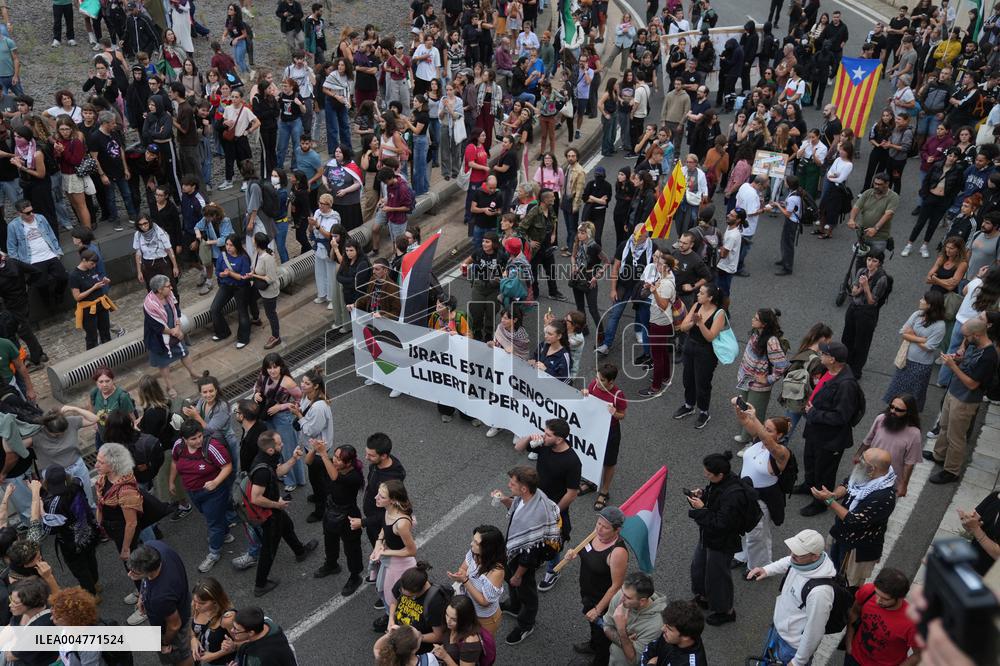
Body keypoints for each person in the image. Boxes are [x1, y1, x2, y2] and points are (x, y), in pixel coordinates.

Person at [747, 529, 838, 666]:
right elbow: (788, 562)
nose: (792, 555)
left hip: (791, 647)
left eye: (798, 554)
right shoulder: (802, 562)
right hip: (778, 630)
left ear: (815, 556)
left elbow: (814, 632)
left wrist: (797, 662)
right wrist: (767, 570)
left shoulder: (820, 593)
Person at [925, 316, 998, 483]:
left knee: (956, 436)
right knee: (944, 426)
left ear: (977, 334)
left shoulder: (988, 356)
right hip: (954, 392)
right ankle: (939, 455)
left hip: (966, 400)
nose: (965, 340)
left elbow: (972, 384)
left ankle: (951, 471)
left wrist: (952, 366)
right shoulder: (974, 344)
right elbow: (968, 364)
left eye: (967, 336)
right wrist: (958, 359)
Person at [810, 448, 898, 587]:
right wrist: (834, 495)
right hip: (840, 534)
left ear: (872, 469)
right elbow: (848, 483)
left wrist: (829, 501)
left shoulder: (884, 497)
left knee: (847, 583)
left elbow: (853, 520)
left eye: (862, 461)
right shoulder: (867, 475)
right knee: (831, 570)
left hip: (857, 548)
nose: (858, 462)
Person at [495, 465, 562, 646]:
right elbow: (516, 506)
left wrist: (519, 574)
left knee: (527, 592)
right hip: (514, 554)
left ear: (524, 488)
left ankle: (526, 624)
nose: (509, 485)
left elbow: (529, 554)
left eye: (513, 483)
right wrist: (503, 500)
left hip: (523, 561)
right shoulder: (530, 496)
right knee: (512, 581)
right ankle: (515, 606)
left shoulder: (531, 518)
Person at [686, 451, 755, 626]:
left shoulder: (734, 496)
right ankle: (704, 597)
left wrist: (701, 509)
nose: (705, 475)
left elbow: (721, 523)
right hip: (709, 535)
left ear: (720, 475)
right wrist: (703, 494)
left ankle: (726, 611)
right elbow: (715, 499)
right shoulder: (721, 483)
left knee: (718, 577)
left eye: (708, 474)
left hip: (722, 541)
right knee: (699, 566)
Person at [250, 430, 319, 597]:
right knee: (269, 548)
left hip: (274, 510)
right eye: (279, 444)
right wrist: (277, 504)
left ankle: (300, 552)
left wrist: (294, 459)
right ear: (271, 450)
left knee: (287, 526)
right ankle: (260, 584)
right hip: (269, 513)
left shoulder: (266, 460)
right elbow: (255, 498)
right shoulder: (262, 471)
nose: (283, 445)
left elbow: (278, 472)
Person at [798, 342, 863, 517]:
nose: (820, 354)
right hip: (816, 431)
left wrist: (813, 413)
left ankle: (821, 503)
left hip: (830, 439)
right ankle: (809, 486)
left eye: (824, 353)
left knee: (825, 471)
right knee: (810, 461)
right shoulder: (831, 372)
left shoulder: (846, 385)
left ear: (832, 359)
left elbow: (841, 417)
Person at [563, 506, 629, 665]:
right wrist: (573, 552)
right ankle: (593, 645)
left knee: (603, 637)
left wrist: (598, 610)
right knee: (593, 627)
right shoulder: (596, 534)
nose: (599, 528)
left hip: (602, 603)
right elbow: (585, 551)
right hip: (587, 594)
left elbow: (616, 586)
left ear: (617, 530)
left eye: (605, 527)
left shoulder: (617, 552)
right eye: (598, 523)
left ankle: (600, 660)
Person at [731, 403, 792, 573]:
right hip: (744, 492)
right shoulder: (759, 441)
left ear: (779, 435)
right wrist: (740, 409)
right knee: (742, 528)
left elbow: (767, 440)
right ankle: (743, 555)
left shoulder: (781, 453)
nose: (764, 432)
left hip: (762, 498)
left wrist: (755, 418)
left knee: (758, 535)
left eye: (769, 430)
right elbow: (744, 421)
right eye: (764, 428)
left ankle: (760, 566)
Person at [169, 420, 233, 574]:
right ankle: (225, 534)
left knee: (213, 522)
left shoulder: (211, 447)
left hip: (214, 493)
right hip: (193, 492)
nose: (198, 441)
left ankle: (214, 553)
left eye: (200, 436)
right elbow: (174, 462)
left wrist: (215, 482)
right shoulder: (178, 446)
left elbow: (227, 466)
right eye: (193, 439)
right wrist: (171, 481)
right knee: (210, 516)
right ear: (184, 439)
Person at [127, 542, 192, 666]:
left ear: (148, 572)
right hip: (182, 601)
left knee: (181, 655)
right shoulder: (155, 548)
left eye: (135, 573)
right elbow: (147, 578)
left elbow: (174, 625)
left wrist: (165, 642)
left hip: (174, 627)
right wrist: (142, 595)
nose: (129, 574)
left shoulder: (160, 597)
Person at [674, 284, 728, 429]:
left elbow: (710, 337)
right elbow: (683, 327)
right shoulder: (696, 305)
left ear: (710, 297)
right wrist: (693, 322)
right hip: (690, 347)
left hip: (706, 352)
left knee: (702, 383)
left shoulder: (719, 313)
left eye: (702, 293)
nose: (698, 294)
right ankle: (689, 405)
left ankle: (704, 411)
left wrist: (700, 323)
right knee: (688, 378)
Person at [596, 222, 653, 357]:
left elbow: (655, 268)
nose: (634, 238)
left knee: (640, 312)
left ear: (646, 237)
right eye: (634, 234)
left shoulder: (653, 248)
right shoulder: (624, 246)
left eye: (638, 236)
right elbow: (616, 267)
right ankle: (606, 344)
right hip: (623, 285)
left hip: (640, 287)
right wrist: (613, 289)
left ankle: (638, 330)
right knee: (615, 314)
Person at [40, 466, 99, 594]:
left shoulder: (53, 503)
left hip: (71, 541)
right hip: (89, 529)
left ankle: (90, 594)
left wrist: (40, 508)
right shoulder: (77, 482)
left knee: (79, 568)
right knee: (90, 558)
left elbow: (49, 529)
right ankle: (95, 583)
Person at [883, 292, 947, 412]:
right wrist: (920, 338)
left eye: (924, 299)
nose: (920, 300)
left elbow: (929, 347)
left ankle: (909, 414)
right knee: (897, 387)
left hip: (921, 365)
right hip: (906, 359)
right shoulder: (917, 315)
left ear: (930, 305)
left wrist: (912, 335)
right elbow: (903, 332)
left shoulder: (940, 326)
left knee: (914, 392)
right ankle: (894, 408)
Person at [734, 309, 789, 446]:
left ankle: (754, 444)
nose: (752, 319)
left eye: (756, 318)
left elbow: (781, 366)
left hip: (759, 386)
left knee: (754, 415)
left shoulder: (771, 342)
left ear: (764, 324)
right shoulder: (756, 332)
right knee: (743, 409)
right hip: (746, 379)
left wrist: (768, 379)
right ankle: (745, 436)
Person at [844, 568, 920, 666]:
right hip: (854, 658)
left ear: (900, 597)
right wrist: (849, 642)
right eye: (877, 594)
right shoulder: (868, 591)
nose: (878, 600)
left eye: (885, 599)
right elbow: (854, 612)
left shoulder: (912, 622)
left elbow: (918, 654)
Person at [371, 479, 418, 633]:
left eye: (382, 496)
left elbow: (411, 551)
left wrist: (384, 552)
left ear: (393, 500)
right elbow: (385, 529)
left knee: (394, 597)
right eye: (378, 493)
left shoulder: (402, 522)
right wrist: (379, 542)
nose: (376, 497)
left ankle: (396, 625)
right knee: (382, 591)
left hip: (400, 565)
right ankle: (389, 616)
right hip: (389, 561)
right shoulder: (388, 510)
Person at [289, 367, 335, 519]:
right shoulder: (307, 396)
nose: (302, 385)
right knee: (320, 476)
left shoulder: (319, 406)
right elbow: (304, 411)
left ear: (315, 386)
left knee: (317, 479)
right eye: (302, 382)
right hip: (311, 446)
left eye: (307, 383)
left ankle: (321, 510)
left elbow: (311, 430)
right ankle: (323, 494)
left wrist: (298, 415)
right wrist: (299, 410)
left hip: (317, 448)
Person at [445, 525, 506, 638]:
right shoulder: (474, 553)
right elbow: (463, 568)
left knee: (482, 647)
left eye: (476, 543)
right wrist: (459, 575)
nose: (471, 544)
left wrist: (465, 580)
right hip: (469, 611)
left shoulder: (496, 571)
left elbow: (484, 601)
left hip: (485, 619)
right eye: (473, 540)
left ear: (488, 547)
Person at [5, 199, 68, 310]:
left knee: (63, 277)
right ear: (20, 213)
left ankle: (58, 295)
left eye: (32, 211)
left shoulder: (40, 218)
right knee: (41, 284)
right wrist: (19, 264)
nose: (32, 214)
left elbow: (51, 234)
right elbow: (11, 247)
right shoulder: (13, 226)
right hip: (32, 259)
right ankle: (47, 303)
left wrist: (57, 251)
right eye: (28, 213)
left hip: (50, 254)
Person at [857, 396, 923, 498]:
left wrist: (903, 485)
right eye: (892, 407)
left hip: (888, 481)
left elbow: (909, 463)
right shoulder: (881, 419)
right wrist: (858, 455)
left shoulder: (914, 434)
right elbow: (868, 439)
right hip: (867, 471)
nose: (892, 411)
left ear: (908, 412)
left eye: (898, 410)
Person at [842, 250, 891, 380]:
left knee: (861, 343)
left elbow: (872, 301)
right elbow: (853, 292)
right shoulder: (861, 271)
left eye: (874, 261)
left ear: (879, 263)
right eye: (869, 259)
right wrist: (859, 288)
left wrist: (865, 286)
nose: (870, 263)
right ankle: (844, 364)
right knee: (847, 337)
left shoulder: (882, 279)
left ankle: (856, 371)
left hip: (867, 313)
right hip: (854, 308)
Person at [601, 572, 667, 665]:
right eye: (622, 591)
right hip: (614, 660)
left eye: (627, 597)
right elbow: (606, 626)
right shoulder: (623, 594)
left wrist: (621, 630)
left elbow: (634, 660)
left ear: (642, 601)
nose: (621, 598)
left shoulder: (656, 625)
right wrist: (625, 641)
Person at [387, 562, 448, 654]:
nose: (404, 597)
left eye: (409, 597)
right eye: (402, 593)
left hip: (418, 648)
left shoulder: (435, 602)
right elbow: (394, 602)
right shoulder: (404, 583)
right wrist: (391, 619)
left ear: (421, 590)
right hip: (400, 637)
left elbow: (438, 636)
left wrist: (414, 638)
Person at [210, 234, 253, 348]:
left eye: (231, 245)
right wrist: (222, 274)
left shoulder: (243, 258)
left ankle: (243, 338)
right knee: (214, 309)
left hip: (241, 287)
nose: (228, 247)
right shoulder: (222, 256)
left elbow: (243, 277)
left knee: (242, 312)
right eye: (227, 245)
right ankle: (222, 332)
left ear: (237, 246)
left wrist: (230, 273)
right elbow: (217, 272)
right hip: (226, 285)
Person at [639, 599, 708, 666]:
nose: (662, 629)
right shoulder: (671, 636)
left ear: (685, 637)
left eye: (669, 628)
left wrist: (650, 664)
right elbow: (649, 649)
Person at [69, 249, 114, 350]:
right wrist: (93, 288)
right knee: (92, 336)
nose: (94, 266)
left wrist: (103, 281)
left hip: (101, 305)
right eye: (92, 263)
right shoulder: (74, 276)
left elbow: (96, 281)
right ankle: (93, 360)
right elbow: (77, 297)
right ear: (84, 260)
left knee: (105, 331)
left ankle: (109, 354)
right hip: (88, 309)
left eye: (94, 264)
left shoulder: (92, 269)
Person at [227, 607, 297, 666]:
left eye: (236, 629)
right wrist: (234, 646)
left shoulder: (257, 659)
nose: (232, 630)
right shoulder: (268, 623)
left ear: (251, 633)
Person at [189, 578, 236, 665]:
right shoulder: (196, 605)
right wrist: (193, 639)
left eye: (202, 603)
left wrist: (214, 655)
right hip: (203, 657)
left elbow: (243, 642)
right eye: (195, 601)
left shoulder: (227, 619)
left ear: (215, 601)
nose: (196, 606)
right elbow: (193, 628)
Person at [431, 596, 485, 666]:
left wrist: (445, 656)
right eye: (447, 614)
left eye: (454, 619)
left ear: (465, 619)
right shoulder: (453, 626)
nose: (448, 621)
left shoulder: (470, 643)